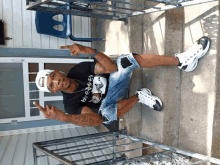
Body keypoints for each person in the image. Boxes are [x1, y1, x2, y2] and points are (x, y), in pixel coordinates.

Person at [33, 36, 211, 127]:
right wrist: (66, 118)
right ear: (53, 92)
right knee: (105, 116)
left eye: (53, 77)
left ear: (57, 72)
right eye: (51, 85)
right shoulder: (70, 105)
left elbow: (110, 68)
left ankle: (182, 61)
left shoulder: (77, 70)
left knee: (124, 61)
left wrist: (90, 51)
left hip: (117, 82)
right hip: (114, 102)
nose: (56, 82)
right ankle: (140, 97)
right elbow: (96, 121)